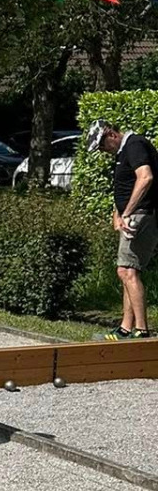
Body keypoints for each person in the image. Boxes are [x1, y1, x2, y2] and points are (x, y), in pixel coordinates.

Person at [87, 120, 156, 339]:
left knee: (126, 271)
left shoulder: (134, 145)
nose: (103, 150)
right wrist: (117, 213)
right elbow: (124, 186)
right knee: (127, 270)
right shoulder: (124, 150)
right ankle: (126, 328)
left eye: (101, 145)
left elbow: (145, 178)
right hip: (133, 215)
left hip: (141, 214)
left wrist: (127, 212)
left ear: (111, 135)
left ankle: (141, 330)